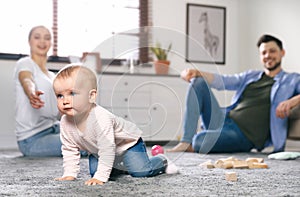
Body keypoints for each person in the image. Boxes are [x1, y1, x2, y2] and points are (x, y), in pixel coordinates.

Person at [167, 34, 300, 154]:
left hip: (245, 135)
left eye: (272, 51)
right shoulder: (250, 76)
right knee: (199, 82)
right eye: (264, 52)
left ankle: (201, 140)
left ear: (282, 53)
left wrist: (292, 101)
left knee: (200, 141)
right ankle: (186, 141)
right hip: (225, 119)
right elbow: (223, 81)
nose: (267, 56)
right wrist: (196, 72)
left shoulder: (293, 79)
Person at [53, 65, 178, 186]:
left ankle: (162, 160)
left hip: (127, 144)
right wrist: (69, 173)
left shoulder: (100, 117)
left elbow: (107, 148)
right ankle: (122, 166)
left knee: (141, 171)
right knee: (95, 172)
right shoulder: (65, 122)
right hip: (100, 150)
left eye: (72, 93)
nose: (65, 100)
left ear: (91, 96)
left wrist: (100, 177)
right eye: (60, 95)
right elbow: (69, 149)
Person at [13, 25, 62, 157]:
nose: (42, 41)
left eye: (47, 38)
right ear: (29, 41)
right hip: (32, 139)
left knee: (90, 133)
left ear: (51, 43)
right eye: (37, 37)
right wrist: (31, 93)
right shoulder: (25, 63)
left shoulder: (52, 76)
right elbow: (27, 80)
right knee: (81, 142)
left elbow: (57, 111)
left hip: (53, 128)